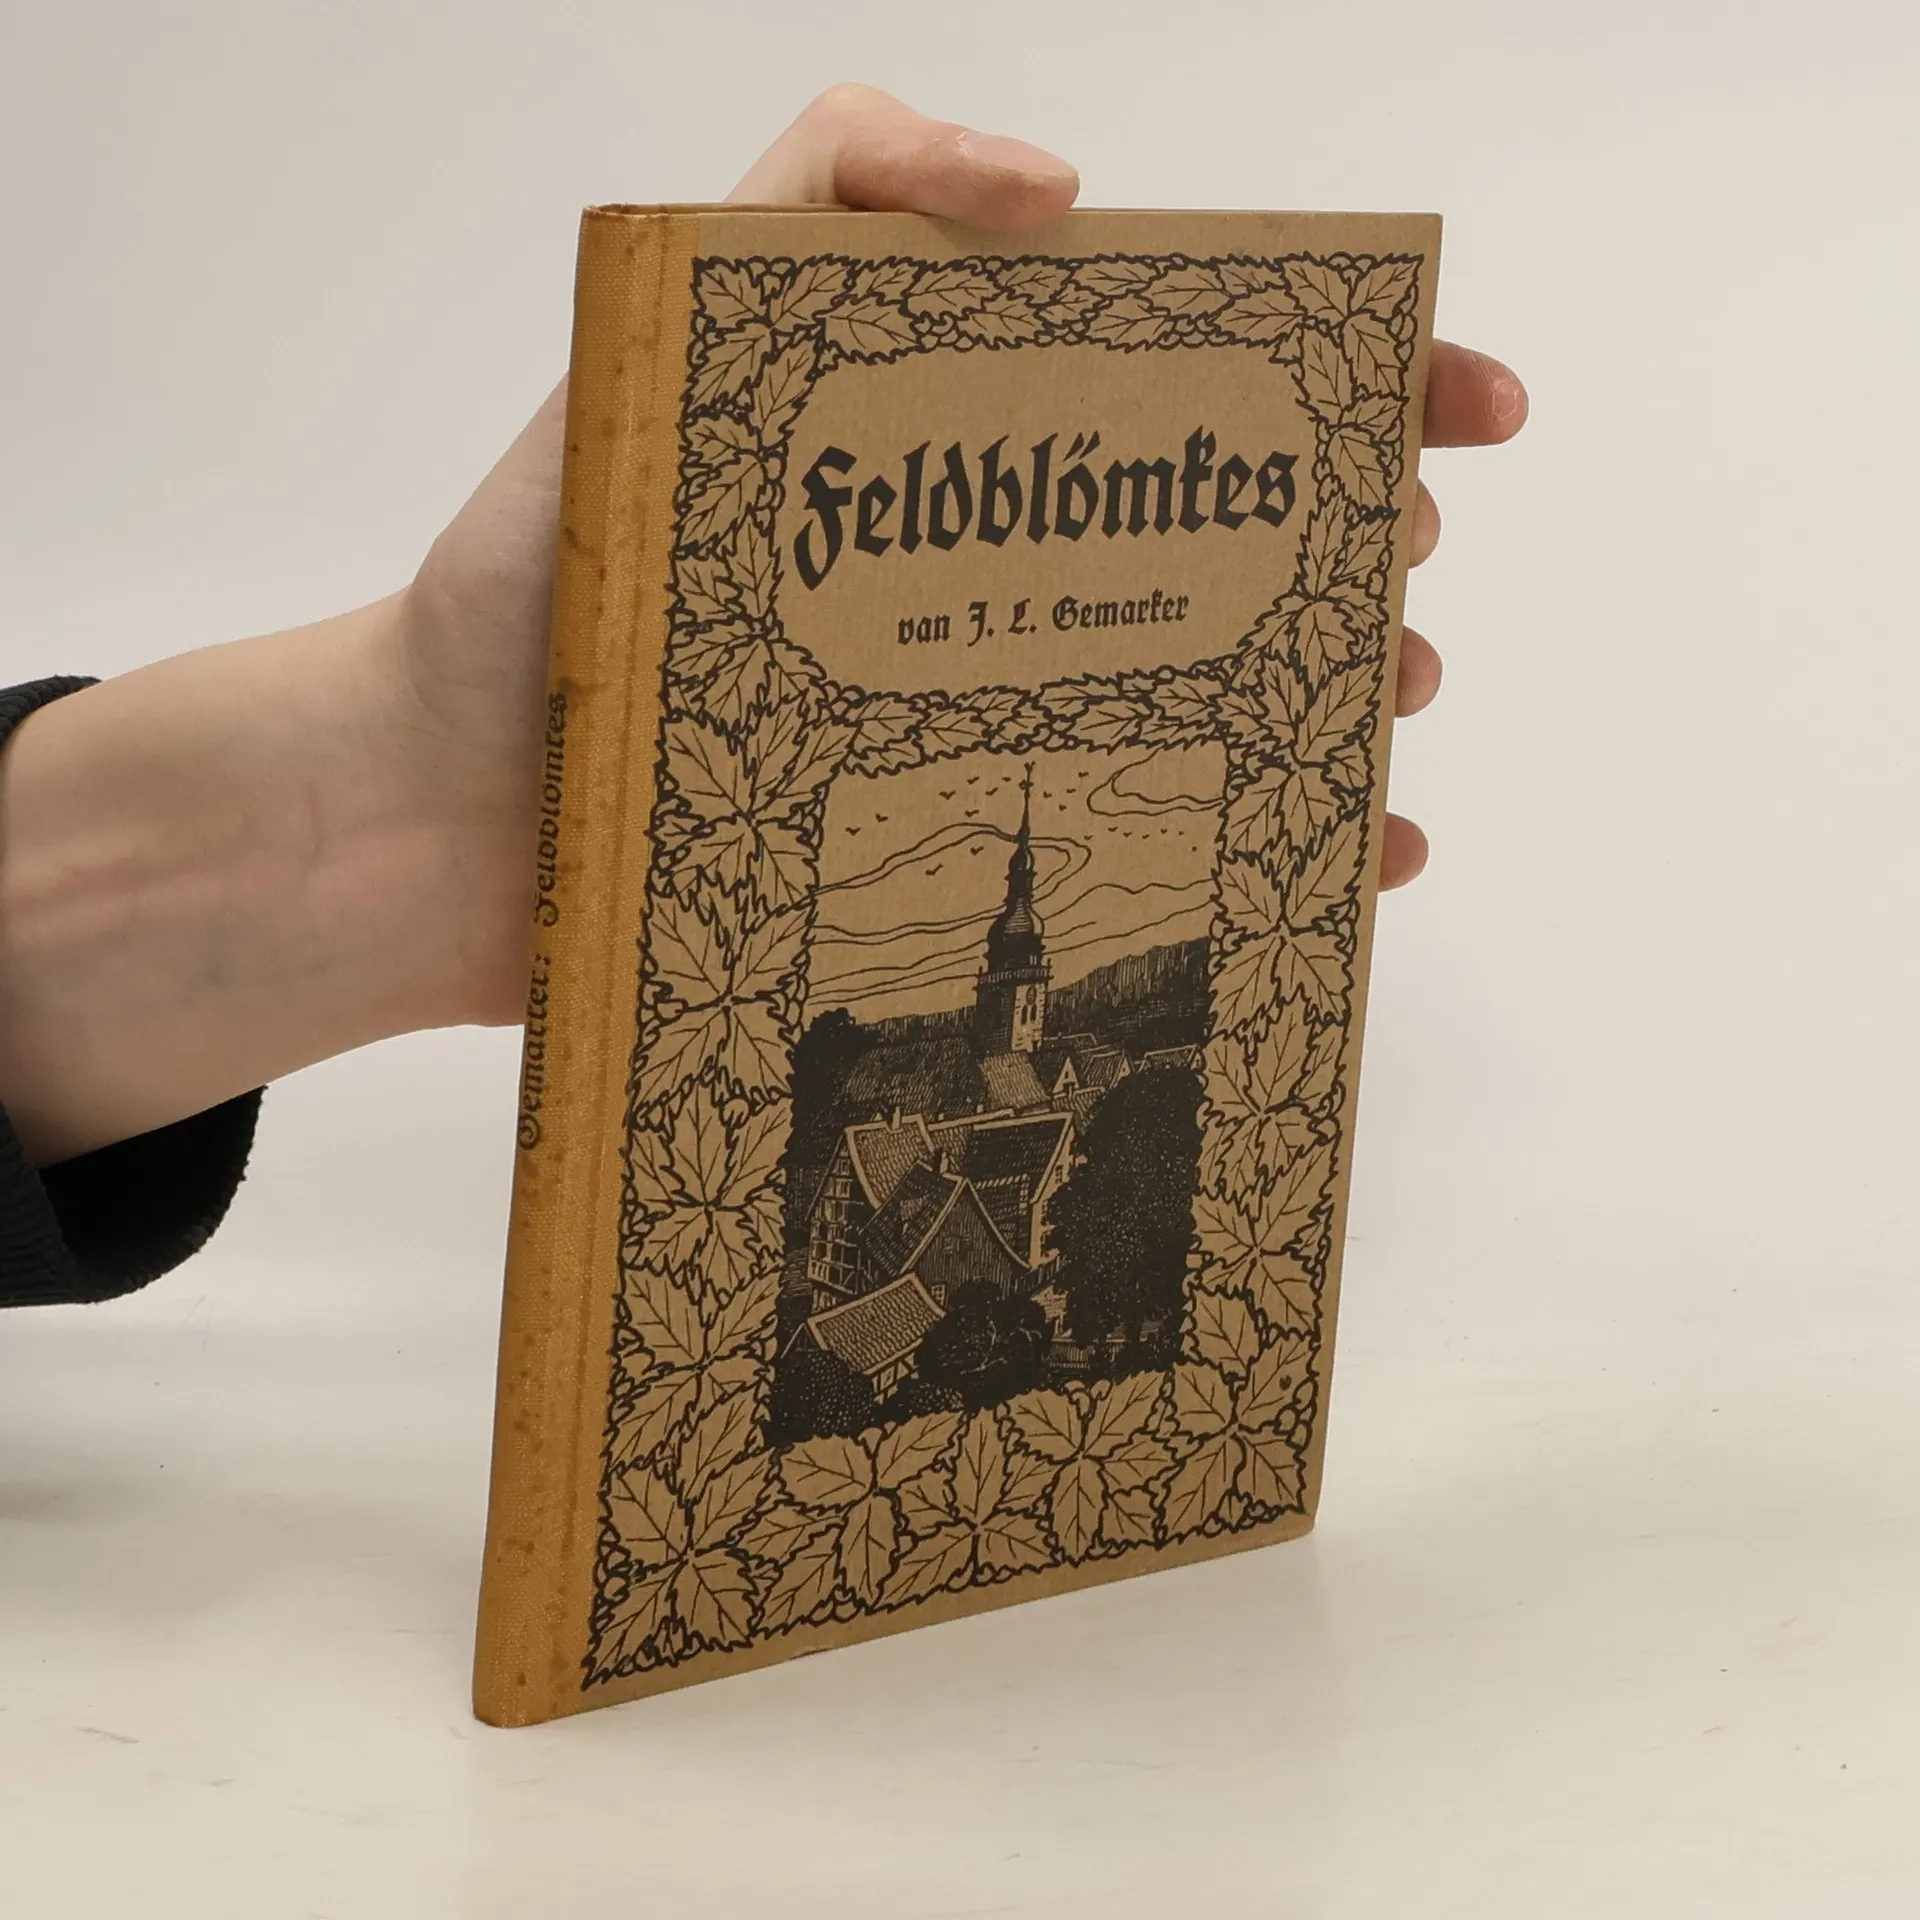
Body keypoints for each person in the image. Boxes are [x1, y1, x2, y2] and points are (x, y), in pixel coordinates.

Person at [0, 84, 1527, 1309]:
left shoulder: (1045, 1061)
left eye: (1020, 986)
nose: (1014, 996)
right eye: (1011, 984)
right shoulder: (962, 1068)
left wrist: (432, 793)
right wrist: (472, 770)